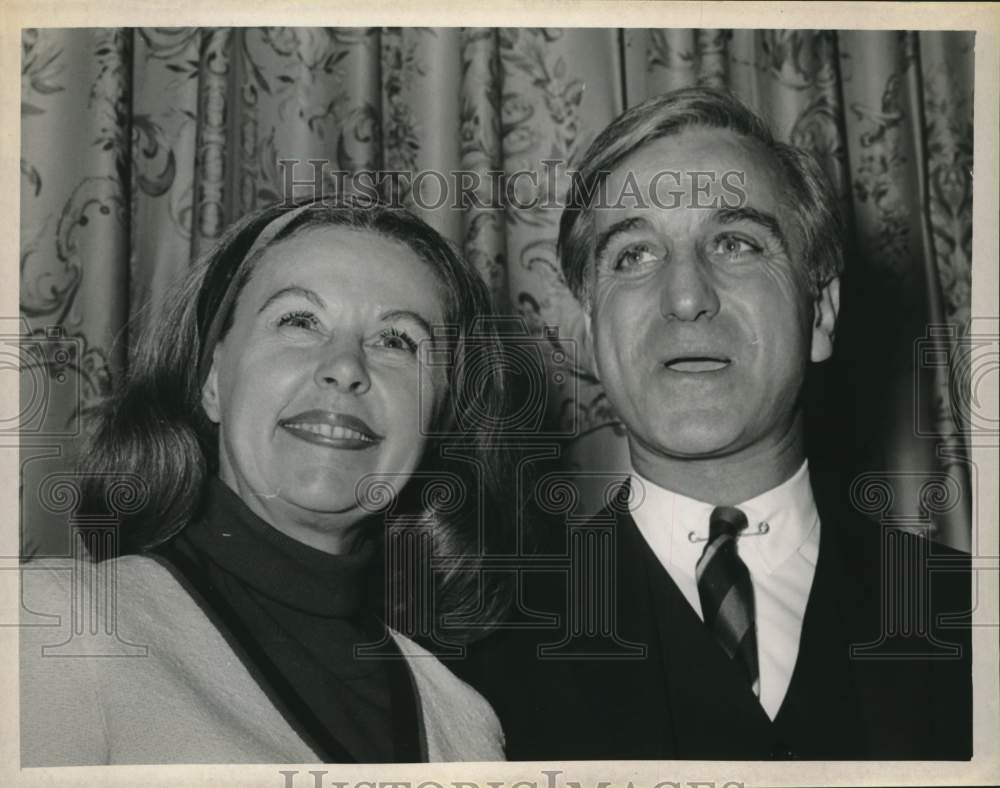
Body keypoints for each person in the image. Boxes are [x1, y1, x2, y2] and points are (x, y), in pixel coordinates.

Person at [463, 87, 972, 760]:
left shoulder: (974, 618)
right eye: (634, 255)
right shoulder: (476, 652)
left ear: (820, 313)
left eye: (734, 242)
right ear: (589, 332)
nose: (685, 297)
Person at [20, 198, 512, 765]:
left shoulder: (464, 721)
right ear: (211, 378)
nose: (347, 366)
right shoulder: (59, 627)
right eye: (299, 321)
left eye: (398, 340)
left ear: (438, 415)